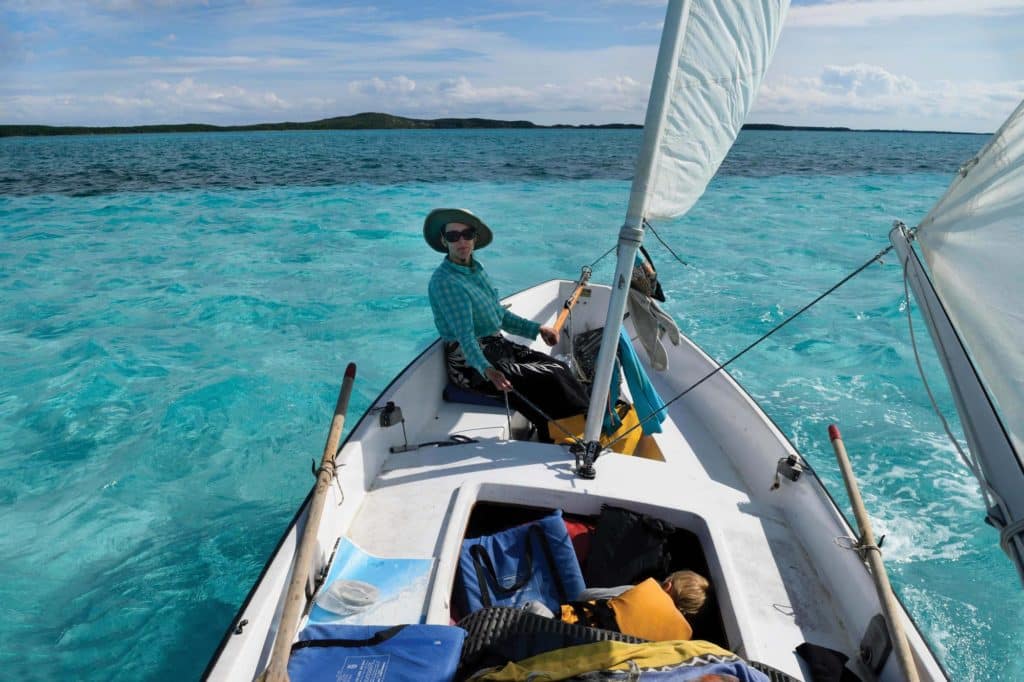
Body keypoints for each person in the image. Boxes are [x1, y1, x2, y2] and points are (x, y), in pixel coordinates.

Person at [424, 208, 589, 441]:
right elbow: (465, 336)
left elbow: (498, 315)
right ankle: (560, 435)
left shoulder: (475, 270)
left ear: (475, 237)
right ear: (444, 241)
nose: (461, 241)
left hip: (497, 347)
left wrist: (538, 330)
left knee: (559, 368)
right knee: (550, 379)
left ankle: (578, 426)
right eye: (453, 236)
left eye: (467, 234)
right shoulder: (446, 282)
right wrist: (487, 370)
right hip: (470, 365)